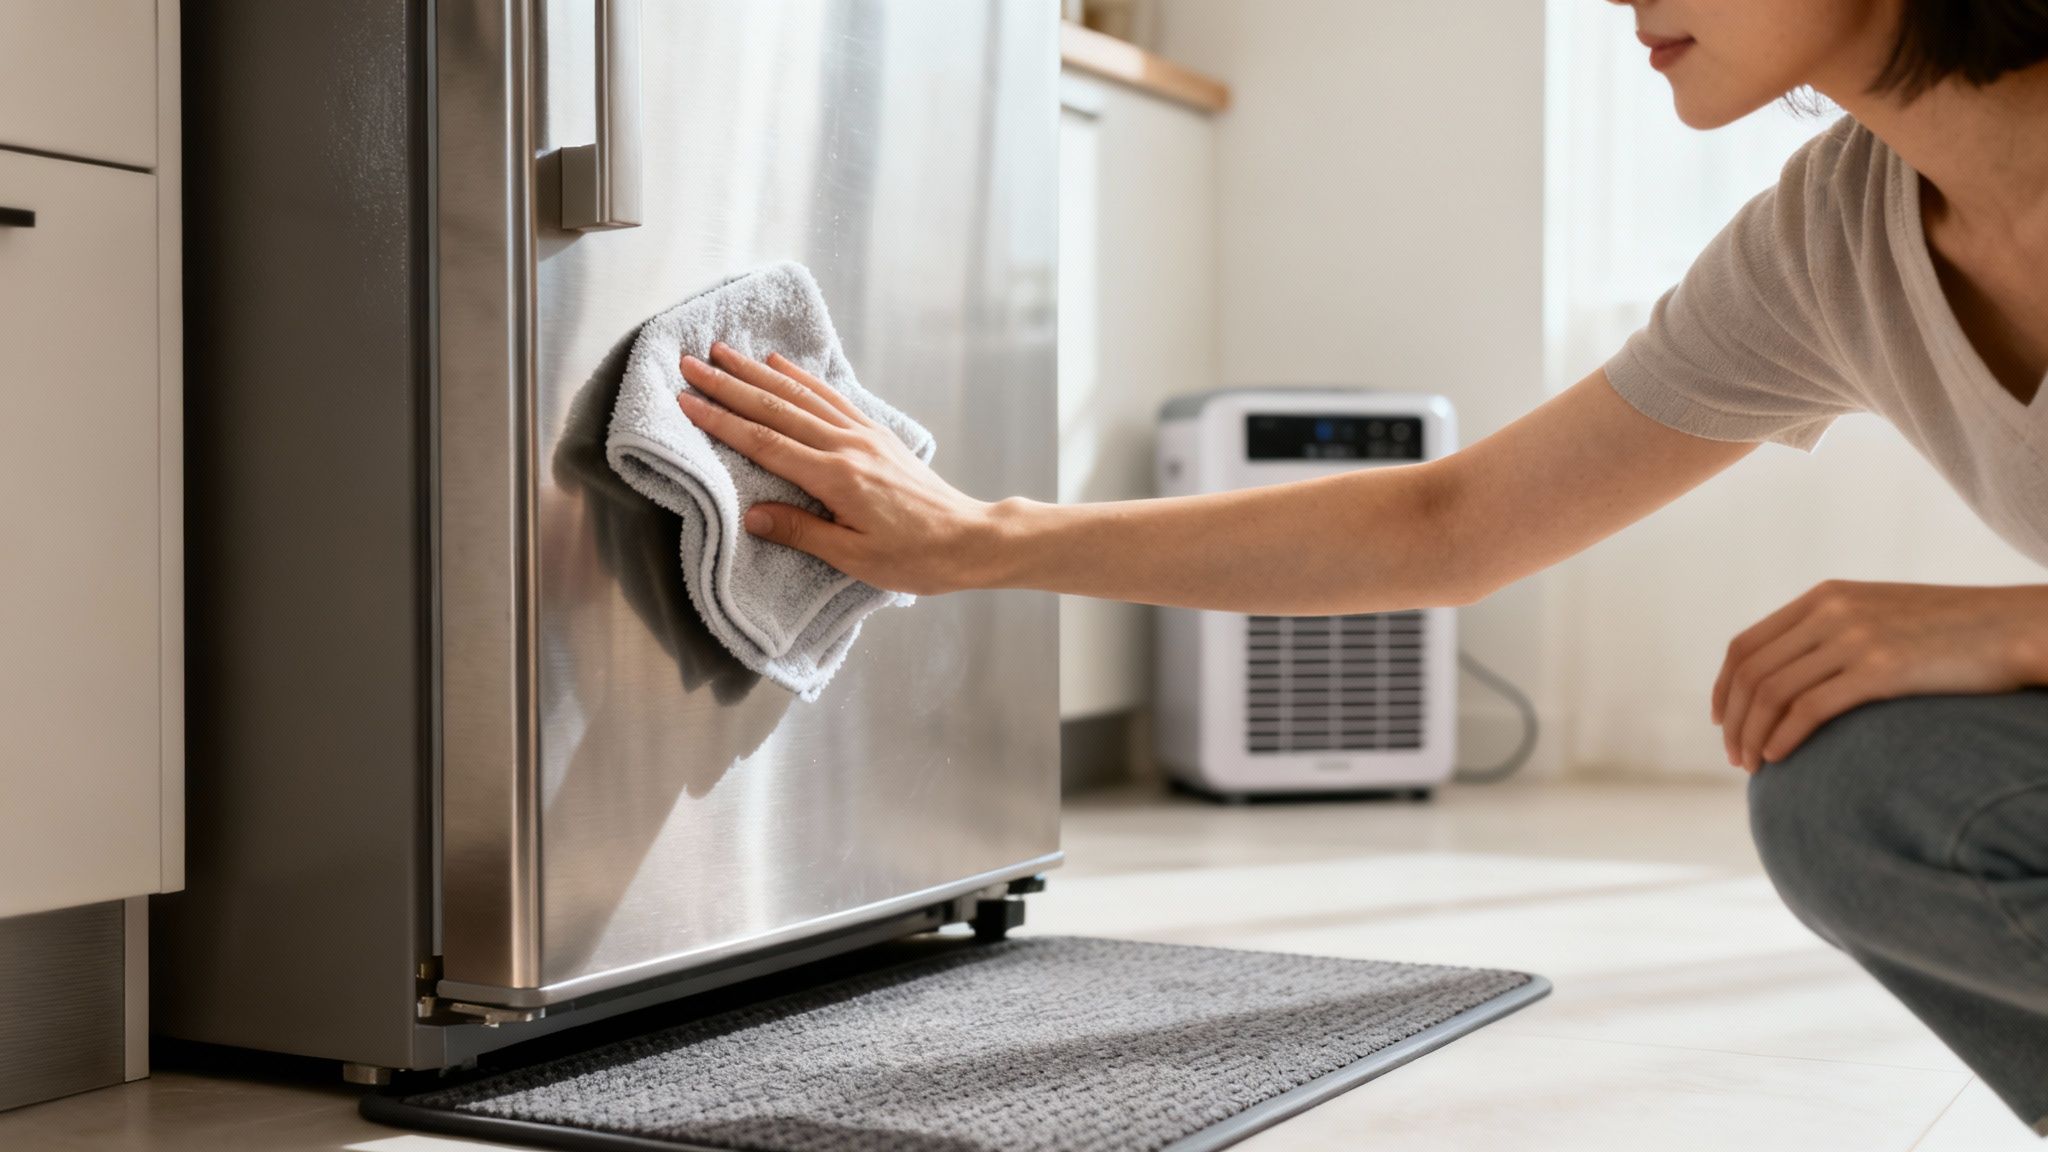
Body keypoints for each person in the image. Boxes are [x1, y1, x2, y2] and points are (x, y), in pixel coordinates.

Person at [668, 0, 2048, 1131]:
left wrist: (2018, 629)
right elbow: (1452, 525)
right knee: (1856, 790)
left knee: (1872, 788)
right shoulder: (1835, 240)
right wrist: (979, 540)